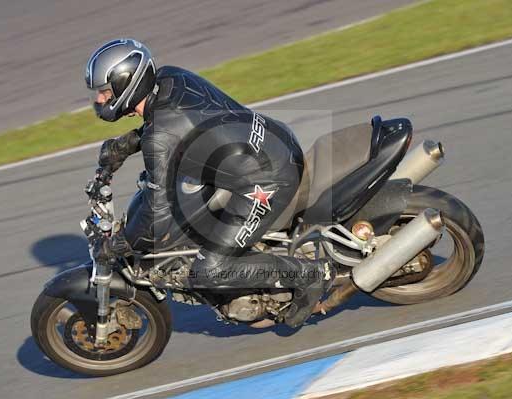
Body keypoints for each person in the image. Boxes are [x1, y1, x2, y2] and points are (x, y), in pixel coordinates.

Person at [85, 38, 334, 328]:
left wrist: (119, 244)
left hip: (267, 179)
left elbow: (158, 214)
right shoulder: (171, 77)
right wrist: (124, 146)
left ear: (125, 82)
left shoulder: (161, 138)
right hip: (276, 139)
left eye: (104, 91)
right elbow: (176, 125)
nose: (100, 99)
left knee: (210, 270)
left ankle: (310, 275)